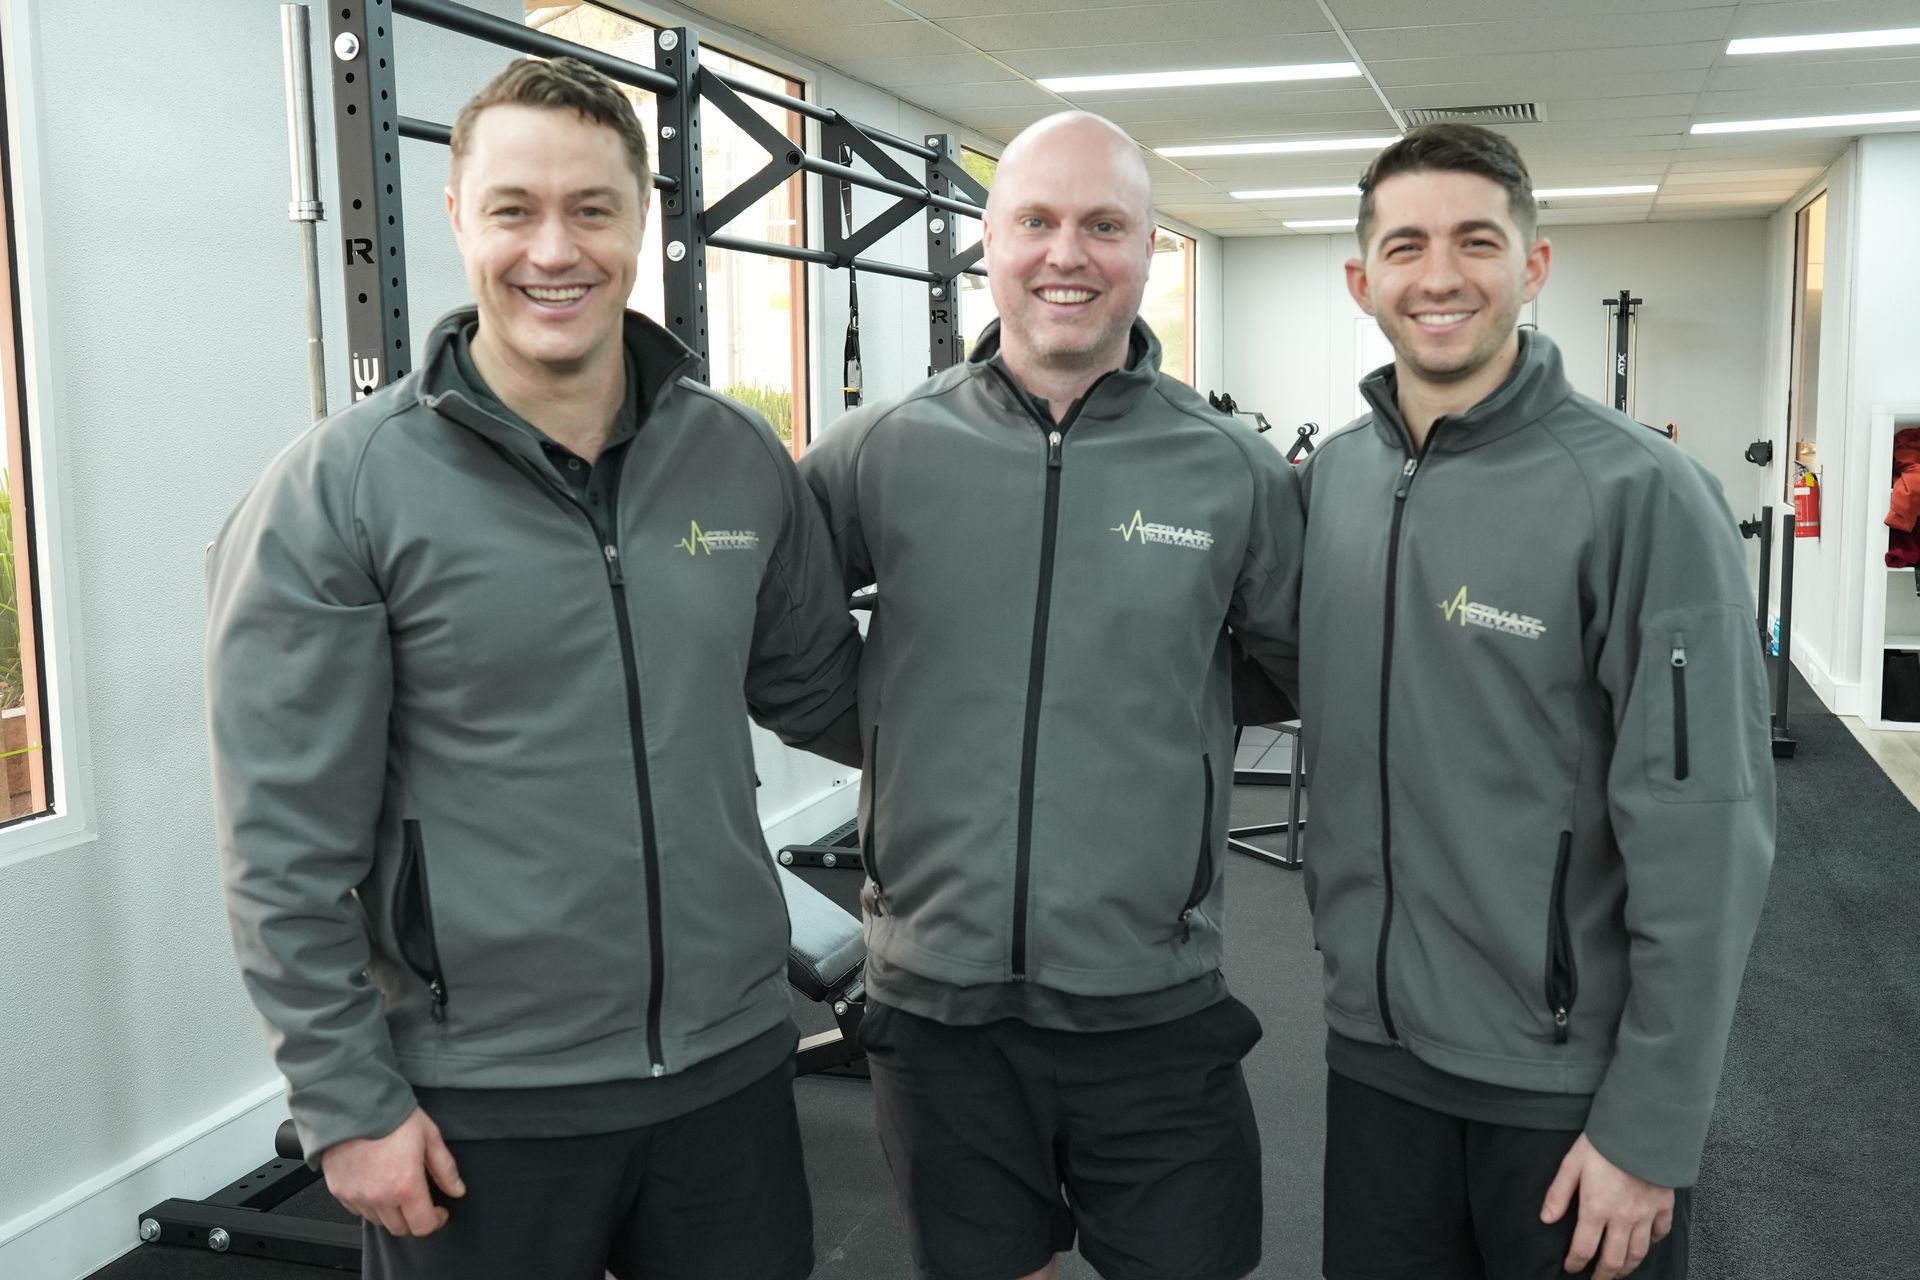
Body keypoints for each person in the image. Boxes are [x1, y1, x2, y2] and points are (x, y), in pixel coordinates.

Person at [205, 57, 860, 1280]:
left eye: (592, 209)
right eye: (514, 209)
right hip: (483, 1096)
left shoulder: (732, 458)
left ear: (641, 219)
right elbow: (282, 843)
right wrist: (346, 1097)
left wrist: (1087, 676)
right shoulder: (339, 491)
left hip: (727, 1065)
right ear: (459, 216)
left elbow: (828, 687)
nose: (553, 249)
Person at [799, 111, 1302, 1280]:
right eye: (1036, 220)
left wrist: (1168, 715)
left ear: (1148, 247)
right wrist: (900, 731)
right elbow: (765, 620)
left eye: (1103, 225)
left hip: (1152, 992)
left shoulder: (1232, 468)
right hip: (938, 1003)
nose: (1066, 254)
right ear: (988, 238)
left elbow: (1296, 661)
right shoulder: (881, 449)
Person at [1297, 123, 1775, 1280]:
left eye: (1477, 239)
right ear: (1364, 281)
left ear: (1534, 265)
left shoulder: (1640, 491)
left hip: (1561, 1084)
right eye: (1406, 245)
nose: (1442, 274)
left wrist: (1651, 1126)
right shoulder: (1335, 481)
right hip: (1376, 1060)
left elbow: (1707, 828)